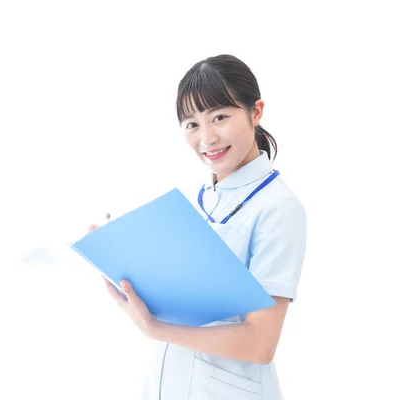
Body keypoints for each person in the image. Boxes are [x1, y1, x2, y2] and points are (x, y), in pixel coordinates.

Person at [90, 54, 307, 400]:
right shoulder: (191, 201)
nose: (207, 138)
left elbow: (260, 343)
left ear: (256, 112)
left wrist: (156, 328)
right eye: (192, 124)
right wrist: (122, 259)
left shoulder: (279, 208)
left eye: (219, 117)